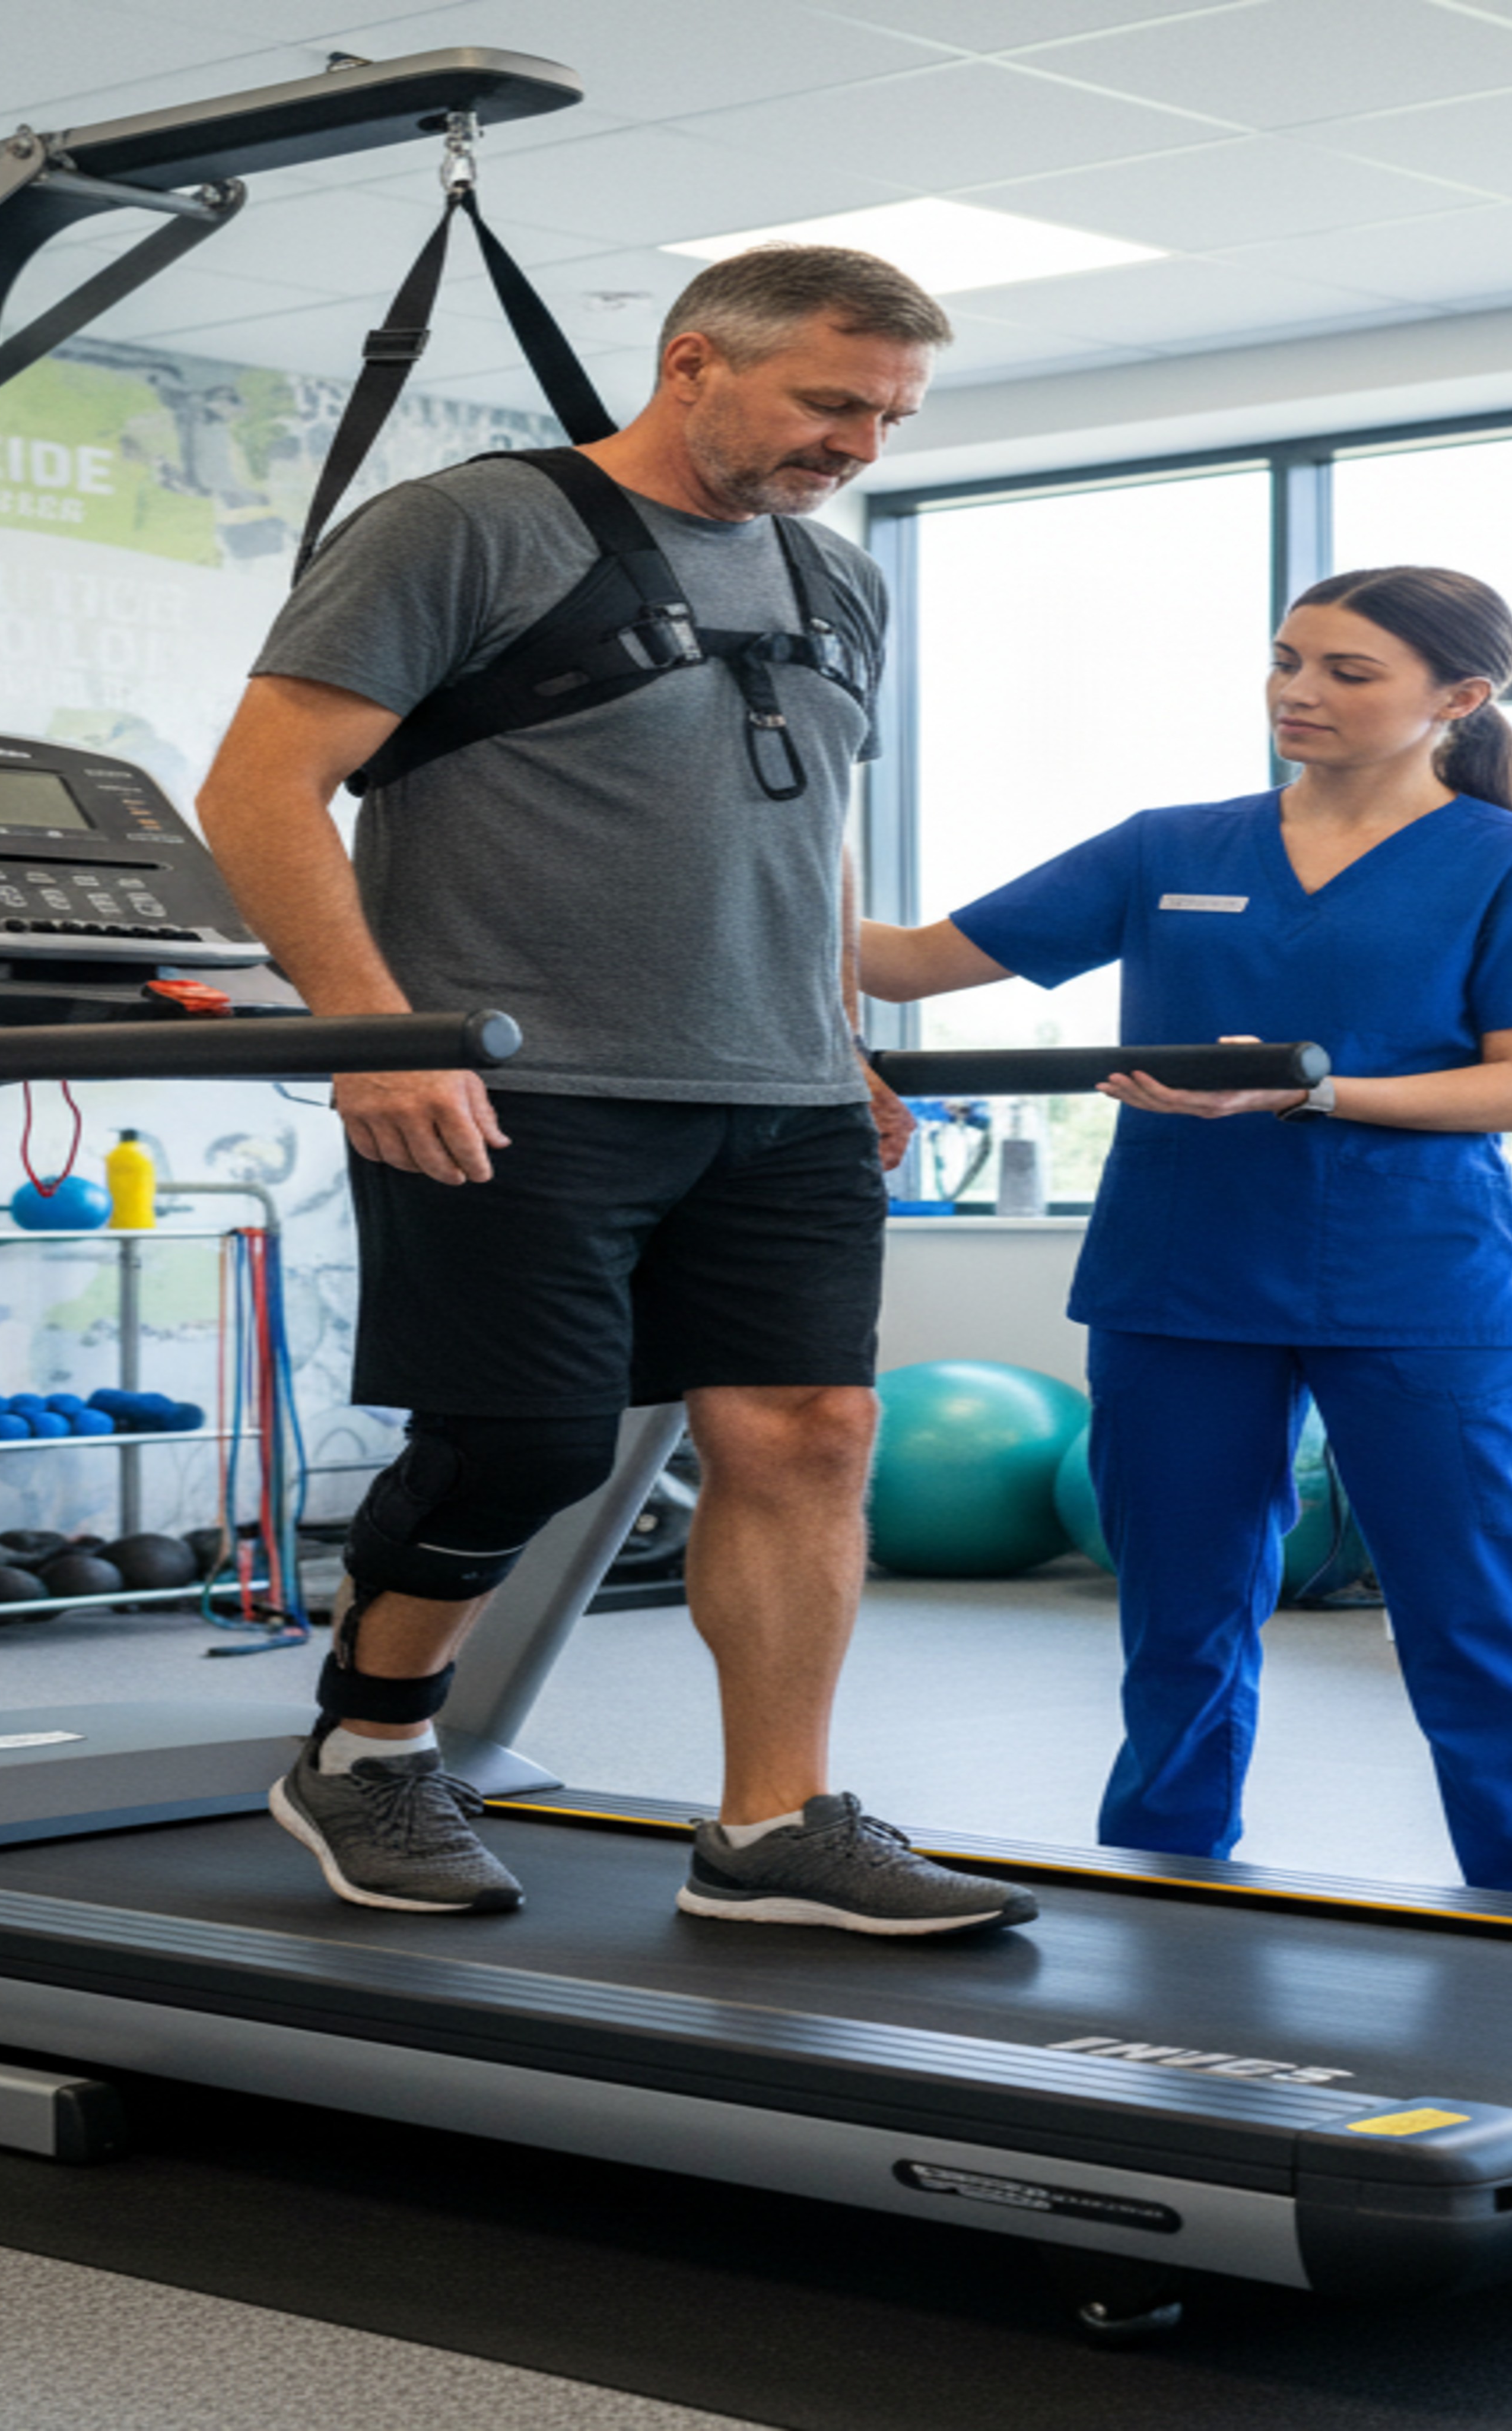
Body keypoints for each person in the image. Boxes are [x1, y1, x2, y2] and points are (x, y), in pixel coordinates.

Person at [199, 245, 1036, 1938]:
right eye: (829, 403)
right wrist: (376, 1032)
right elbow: (260, 788)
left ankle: (774, 1822)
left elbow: (804, 826)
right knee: (522, 1446)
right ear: (692, 366)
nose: (859, 444)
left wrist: (835, 1027)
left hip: (781, 1089)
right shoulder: (466, 530)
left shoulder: (837, 580)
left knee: (812, 1436)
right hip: (520, 1079)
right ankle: (367, 1753)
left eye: (890, 415)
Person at [858, 565, 1512, 1900]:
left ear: (1460, 697)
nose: (1299, 692)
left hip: (1417, 1288)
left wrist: (1308, 1090)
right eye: (1286, 660)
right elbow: (912, 962)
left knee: (1485, 1621)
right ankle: (1163, 1887)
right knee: (1180, 1621)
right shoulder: (1171, 847)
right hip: (1180, 1276)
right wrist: (776, 812)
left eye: (1346, 671)